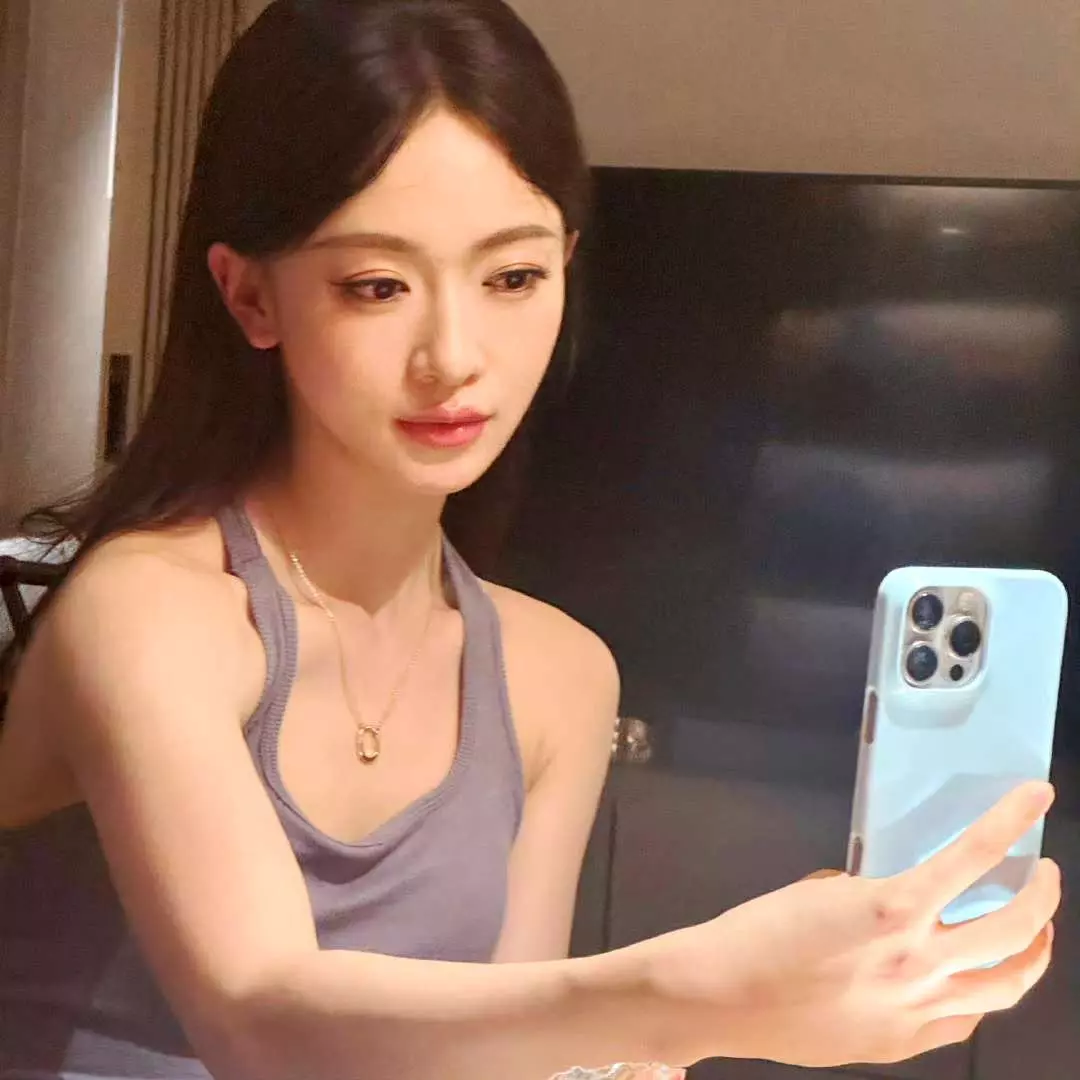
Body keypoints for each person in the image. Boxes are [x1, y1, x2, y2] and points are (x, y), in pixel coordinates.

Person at [0, 2, 1061, 1078]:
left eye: (512, 277)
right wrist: (688, 999)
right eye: (376, 286)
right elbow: (259, 1017)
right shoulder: (149, 612)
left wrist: (652, 1044)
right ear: (248, 295)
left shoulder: (558, 676)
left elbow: (509, 1057)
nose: (454, 355)